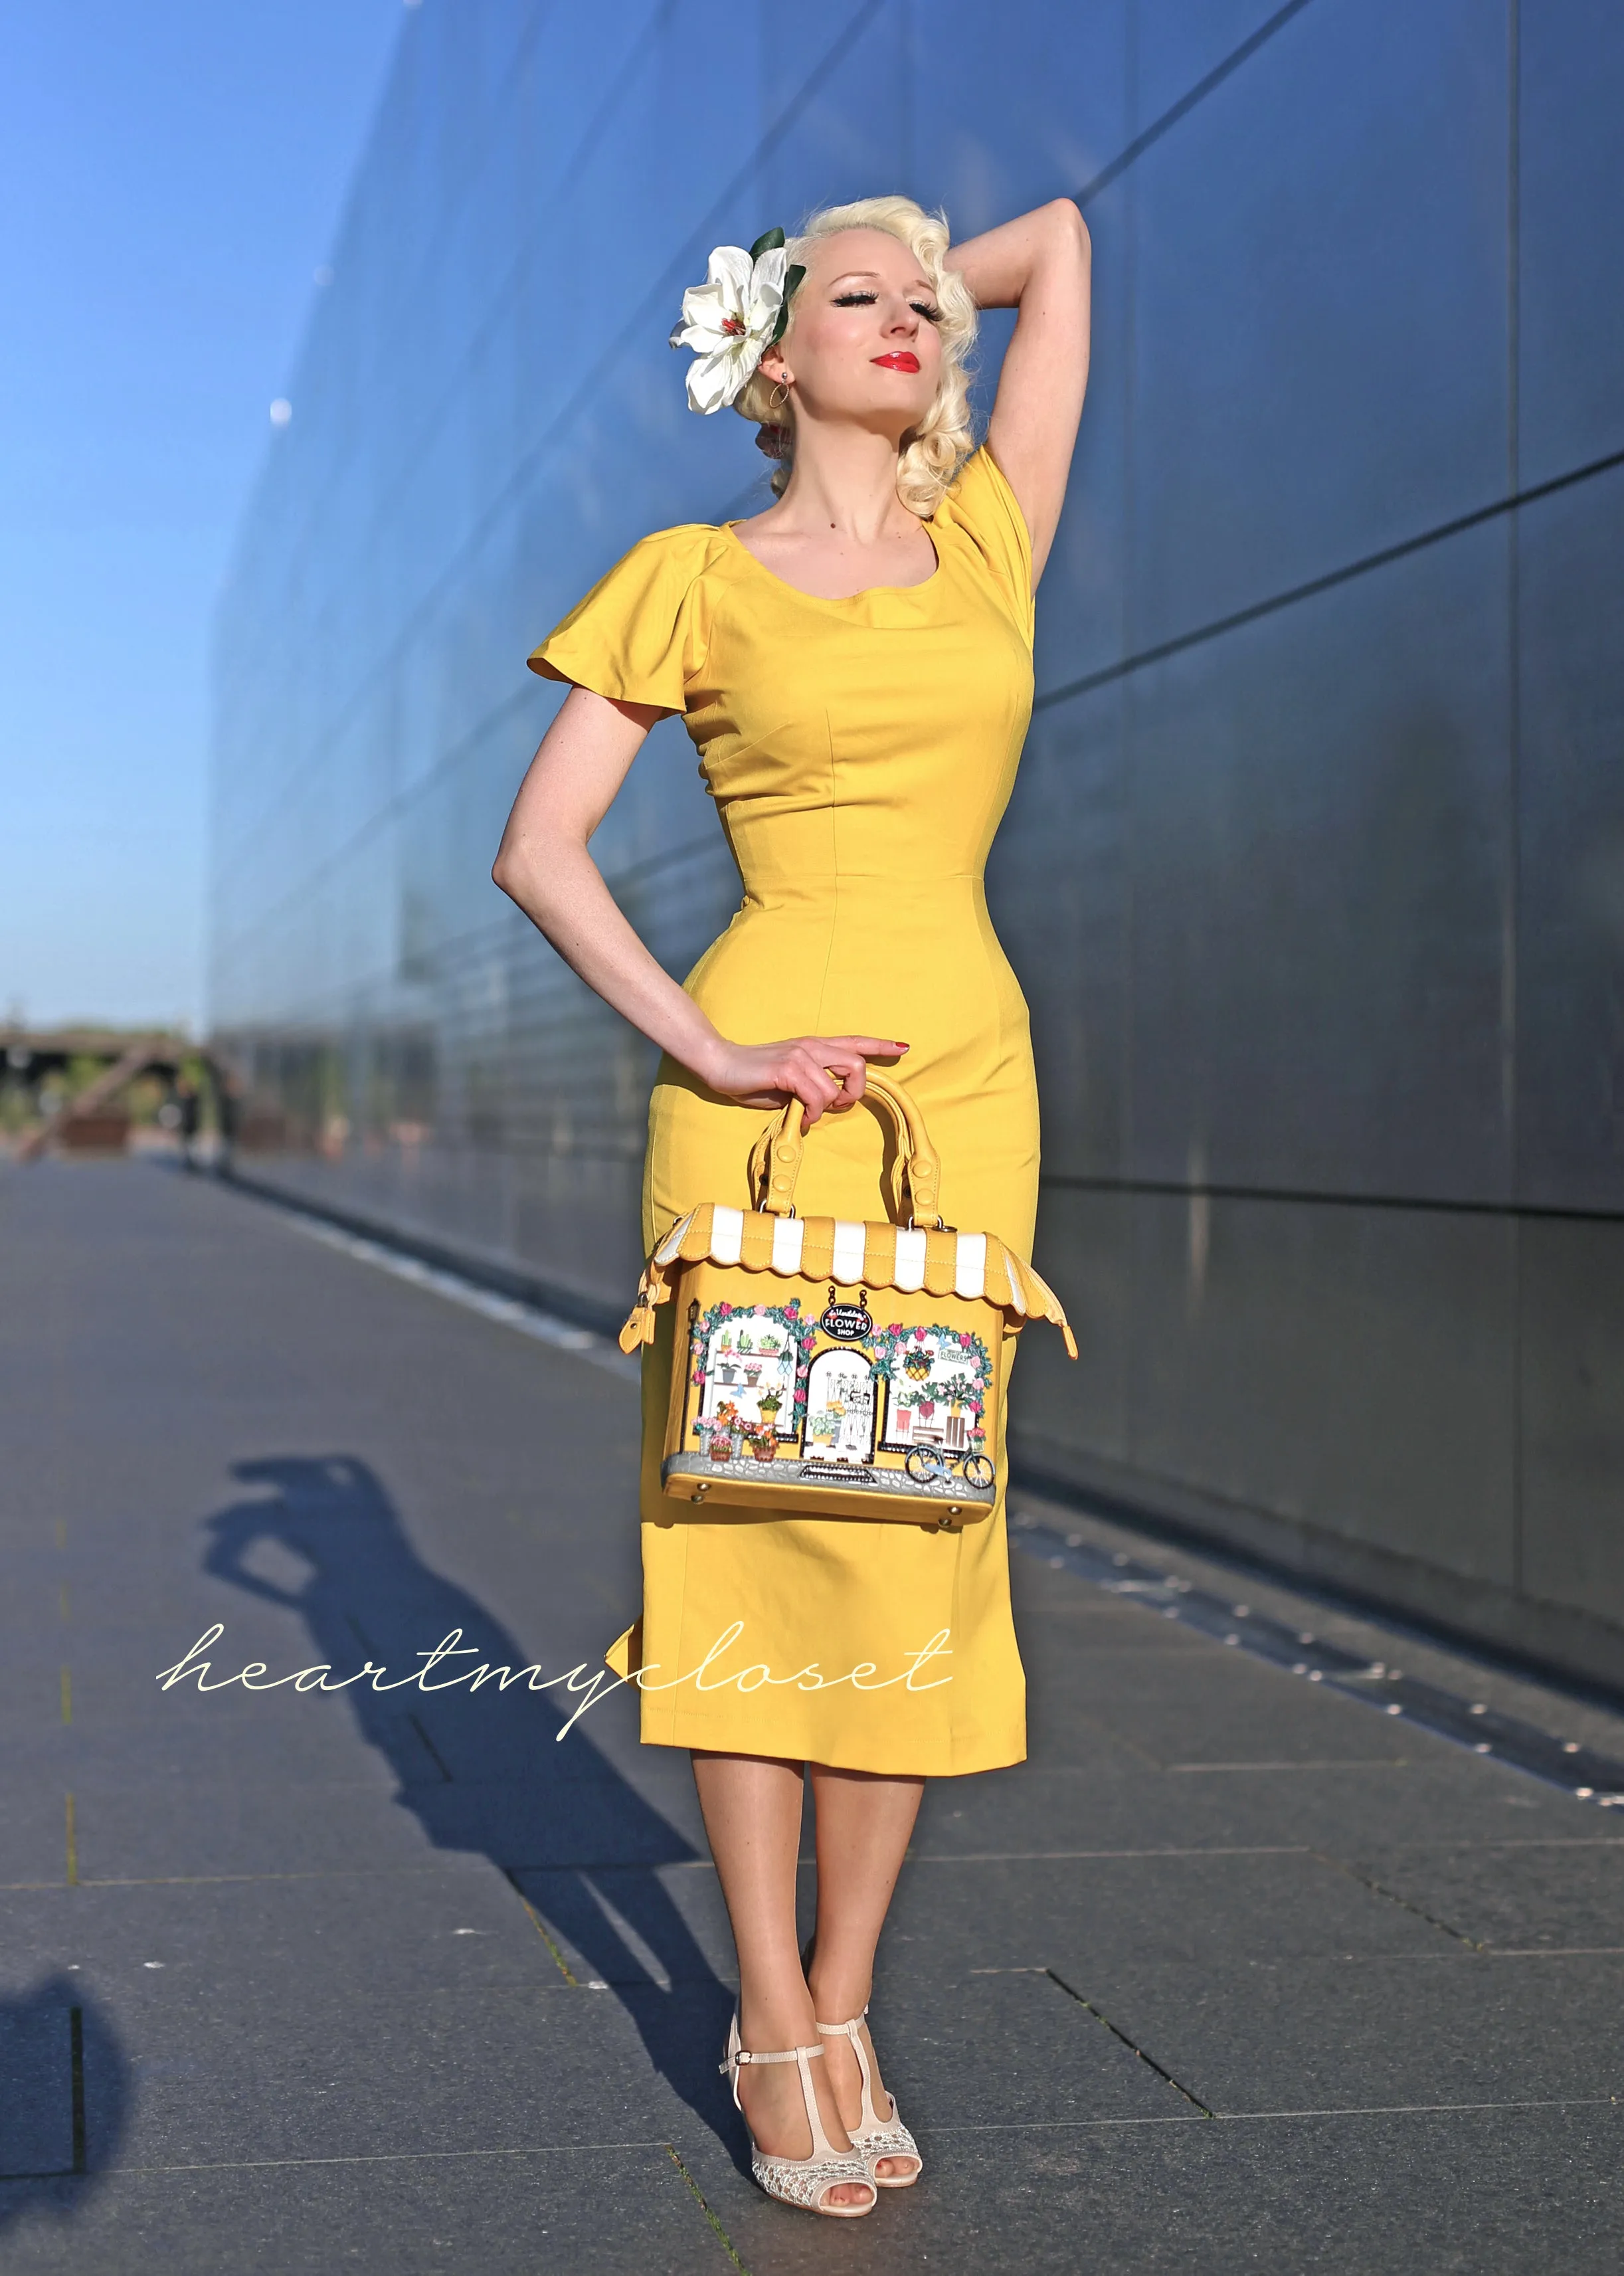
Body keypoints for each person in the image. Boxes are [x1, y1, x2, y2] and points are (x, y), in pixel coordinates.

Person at [495, 193, 1090, 2217]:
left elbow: (1063, 245)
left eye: (928, 297)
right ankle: (764, 2011)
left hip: (965, 1099)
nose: (915, 312)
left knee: (914, 1548)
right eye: (860, 297)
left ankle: (843, 2000)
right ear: (767, 359)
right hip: (749, 1112)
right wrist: (718, 1050)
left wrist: (903, 243)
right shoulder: (688, 574)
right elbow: (543, 849)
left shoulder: (992, 532)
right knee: (751, 1546)